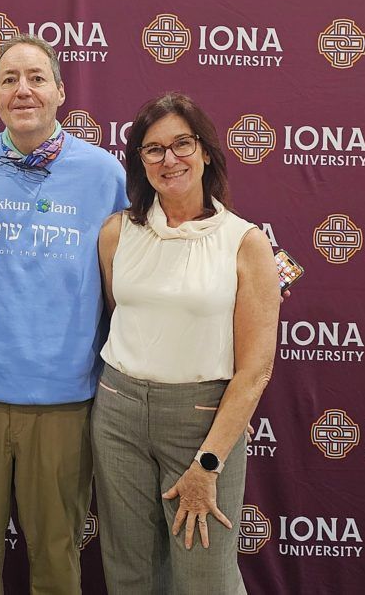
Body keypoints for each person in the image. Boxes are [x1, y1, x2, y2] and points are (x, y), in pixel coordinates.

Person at [0, 35, 128, 594]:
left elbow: (154, 253)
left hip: (63, 401)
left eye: (36, 78)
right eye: (9, 79)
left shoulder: (105, 175)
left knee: (58, 557)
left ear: (60, 91)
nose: (23, 90)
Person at [91, 92, 280, 594]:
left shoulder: (245, 242)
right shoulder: (116, 233)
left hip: (201, 423)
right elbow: (118, 316)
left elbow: (255, 371)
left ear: (206, 152)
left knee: (205, 578)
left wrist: (210, 460)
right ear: (140, 161)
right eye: (153, 149)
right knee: (129, 573)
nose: (169, 159)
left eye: (182, 144)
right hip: (117, 415)